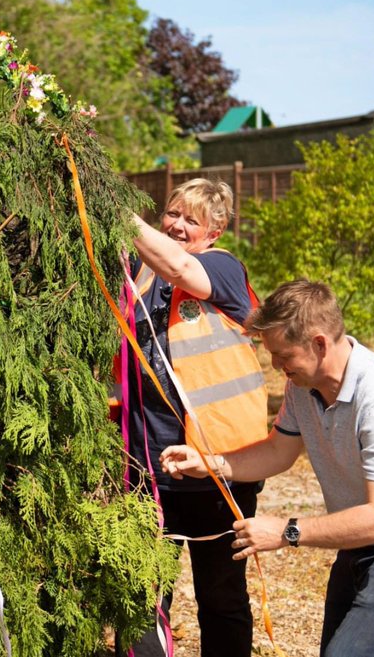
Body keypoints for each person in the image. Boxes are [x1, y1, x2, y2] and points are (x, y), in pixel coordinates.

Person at [160, 280, 374, 657]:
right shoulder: (303, 387)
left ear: (319, 343)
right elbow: (278, 451)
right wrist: (210, 465)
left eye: (283, 355)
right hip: (363, 540)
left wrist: (286, 531)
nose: (277, 367)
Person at [116, 178, 269, 657]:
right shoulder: (140, 271)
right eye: (172, 213)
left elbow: (183, 267)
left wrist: (111, 203)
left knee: (220, 597)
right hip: (147, 464)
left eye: (192, 220)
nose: (178, 226)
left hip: (218, 468)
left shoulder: (221, 269)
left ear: (215, 233)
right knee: (142, 598)